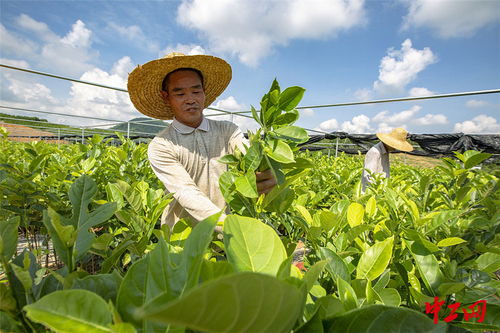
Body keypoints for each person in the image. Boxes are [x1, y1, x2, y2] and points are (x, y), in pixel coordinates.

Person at [127, 52, 276, 230]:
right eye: (180, 93)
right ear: (166, 97)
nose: (190, 99)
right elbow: (186, 192)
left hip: (227, 235)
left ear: (204, 93)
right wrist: (231, 226)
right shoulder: (162, 145)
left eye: (196, 91)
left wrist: (267, 169)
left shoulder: (227, 131)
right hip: (184, 237)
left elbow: (247, 153)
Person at [361, 127, 413, 192]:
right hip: (372, 192)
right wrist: (379, 190)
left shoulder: (385, 151)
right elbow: (368, 176)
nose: (396, 148)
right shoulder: (375, 152)